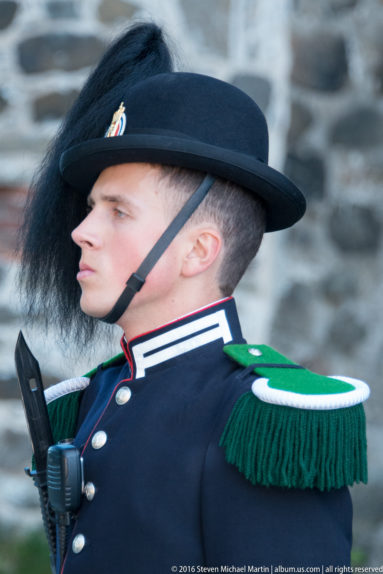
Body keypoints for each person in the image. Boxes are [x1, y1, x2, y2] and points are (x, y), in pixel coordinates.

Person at [19, 23, 369, 574]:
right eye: (90, 207)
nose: (81, 231)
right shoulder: (94, 398)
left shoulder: (261, 424)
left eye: (118, 210)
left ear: (198, 251)